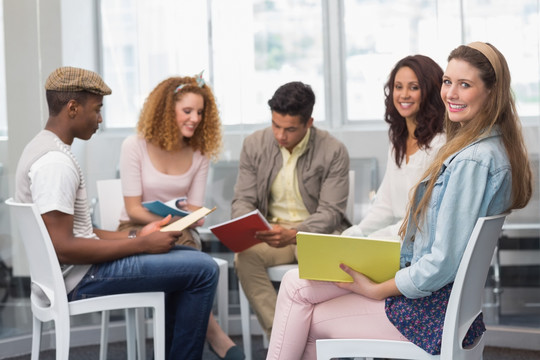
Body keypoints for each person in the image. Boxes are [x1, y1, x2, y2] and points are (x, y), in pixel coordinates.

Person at [265, 42, 532, 360]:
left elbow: (441, 262)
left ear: (492, 92)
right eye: (448, 82)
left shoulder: (471, 160)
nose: (451, 93)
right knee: (298, 286)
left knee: (302, 308)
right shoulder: (481, 149)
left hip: (427, 313)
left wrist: (379, 289)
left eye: (465, 84)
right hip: (434, 302)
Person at [14, 66, 219, 360]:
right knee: (203, 269)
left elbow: (75, 233)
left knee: (191, 262)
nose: (100, 118)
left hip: (79, 270)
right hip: (83, 276)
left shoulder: (44, 148)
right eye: (97, 110)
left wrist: (138, 234)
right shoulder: (55, 164)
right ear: (73, 108)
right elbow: (63, 248)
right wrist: (141, 245)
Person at [118, 74, 244, 359]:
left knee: (183, 243)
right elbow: (134, 208)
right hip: (136, 227)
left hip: (181, 229)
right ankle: (214, 334)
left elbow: (195, 208)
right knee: (189, 260)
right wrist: (171, 220)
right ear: (166, 111)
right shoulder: (134, 146)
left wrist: (194, 216)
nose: (195, 118)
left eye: (200, 112)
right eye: (187, 111)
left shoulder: (199, 153)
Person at [232, 81, 351, 339]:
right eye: (275, 125)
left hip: (314, 235)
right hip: (272, 234)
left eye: (290, 129)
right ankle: (284, 338)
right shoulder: (254, 144)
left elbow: (331, 212)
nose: (280, 135)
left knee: (329, 264)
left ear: (309, 122)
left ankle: (328, 339)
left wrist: (295, 233)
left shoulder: (333, 150)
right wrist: (249, 226)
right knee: (245, 258)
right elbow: (242, 199)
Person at [343, 55, 446, 239]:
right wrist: (358, 231)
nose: (404, 94)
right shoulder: (397, 138)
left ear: (429, 92)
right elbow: (385, 204)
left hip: (417, 241)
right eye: (398, 87)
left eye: (414, 87)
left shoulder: (440, 143)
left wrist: (375, 238)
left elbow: (424, 217)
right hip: (395, 237)